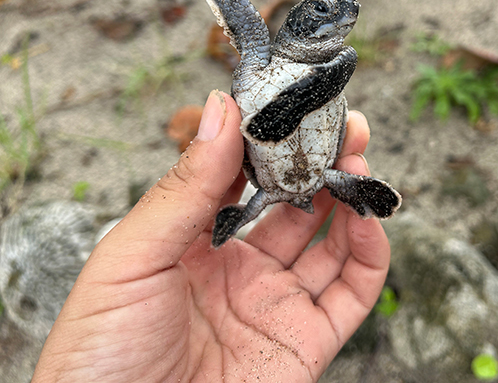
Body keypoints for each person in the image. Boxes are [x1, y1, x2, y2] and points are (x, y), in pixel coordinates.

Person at [31, 91, 390, 382]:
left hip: (304, 175)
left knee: (334, 177)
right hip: (296, 177)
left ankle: (357, 193)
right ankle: (353, 192)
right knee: (332, 175)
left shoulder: (329, 61)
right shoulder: (271, 64)